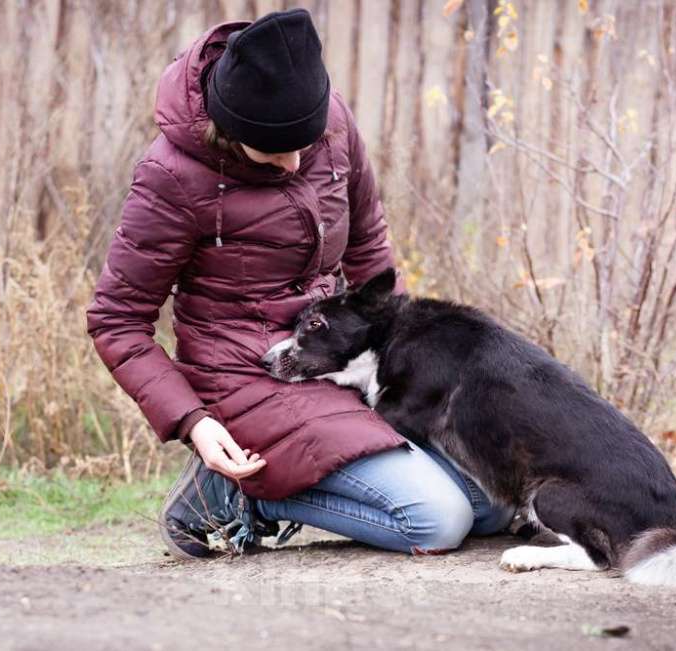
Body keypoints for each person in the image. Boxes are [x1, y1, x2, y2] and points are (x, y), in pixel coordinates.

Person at [86, 8, 513, 559]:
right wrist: (192, 420)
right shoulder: (172, 177)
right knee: (436, 521)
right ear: (229, 132)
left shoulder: (332, 122)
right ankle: (238, 498)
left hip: (329, 355)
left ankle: (278, 485)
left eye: (304, 146)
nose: (292, 163)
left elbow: (367, 250)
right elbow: (116, 321)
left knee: (495, 499)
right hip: (243, 378)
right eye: (272, 152)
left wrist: (405, 362)